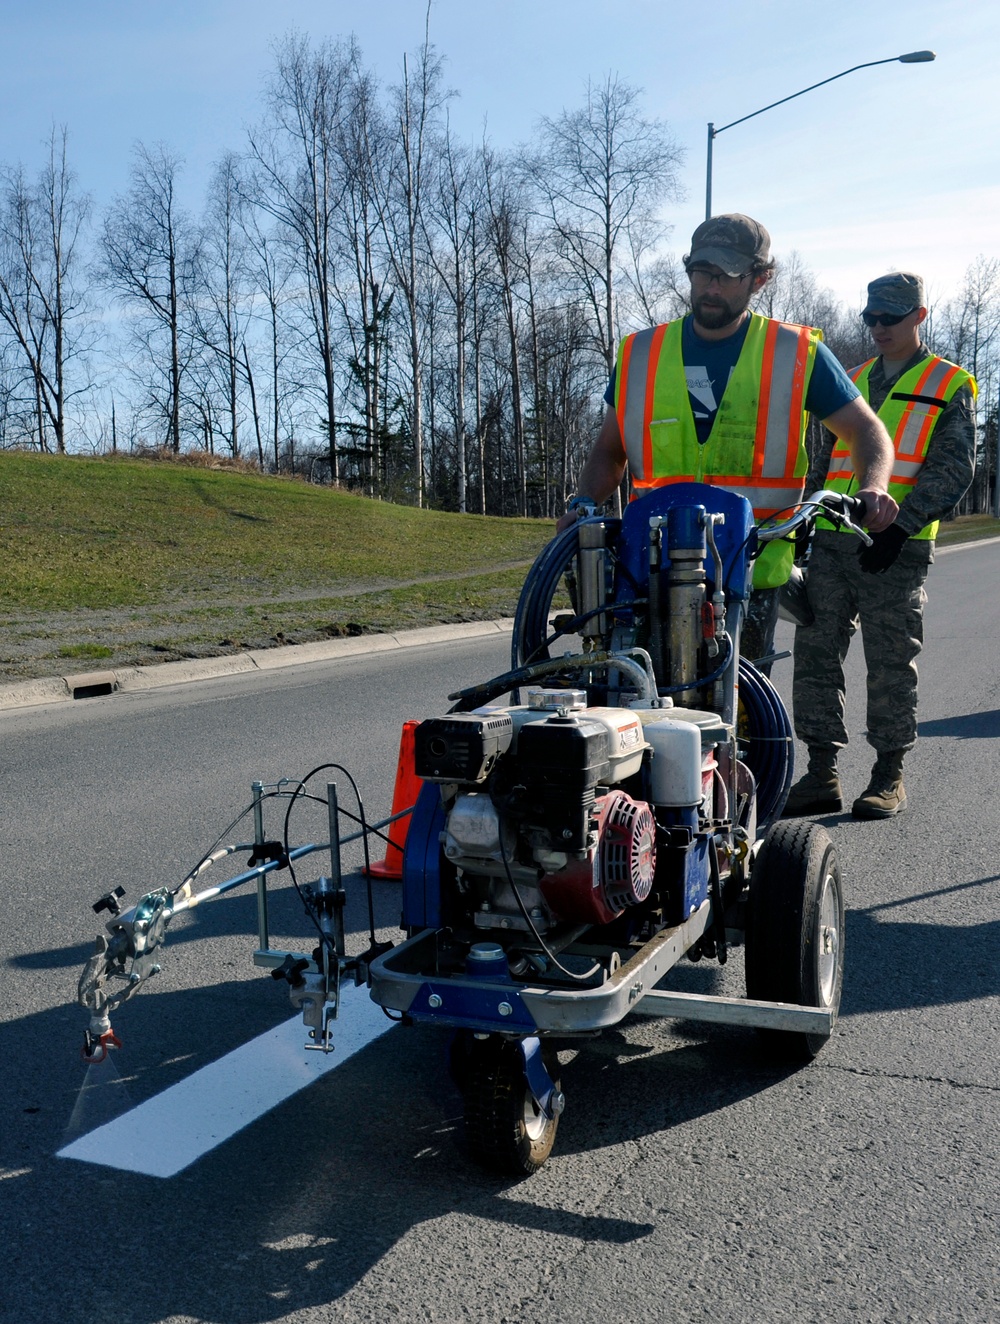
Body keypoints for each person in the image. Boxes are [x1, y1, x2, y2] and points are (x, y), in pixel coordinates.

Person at [557, 213, 898, 670]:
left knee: (742, 708)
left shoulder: (794, 353)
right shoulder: (641, 353)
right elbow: (609, 450)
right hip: (651, 561)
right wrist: (584, 501)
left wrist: (874, 486)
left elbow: (866, 430)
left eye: (727, 275)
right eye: (702, 272)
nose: (710, 287)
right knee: (640, 697)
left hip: (751, 564)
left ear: (760, 279)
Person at [786, 271, 977, 819]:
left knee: (891, 663)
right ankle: (821, 771)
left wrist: (901, 527)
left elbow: (953, 468)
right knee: (816, 659)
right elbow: (823, 458)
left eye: (889, 318)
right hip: (832, 541)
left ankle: (889, 775)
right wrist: (805, 520)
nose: (877, 328)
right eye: (870, 318)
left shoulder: (948, 383)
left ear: (918, 316)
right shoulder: (851, 378)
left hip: (897, 546)